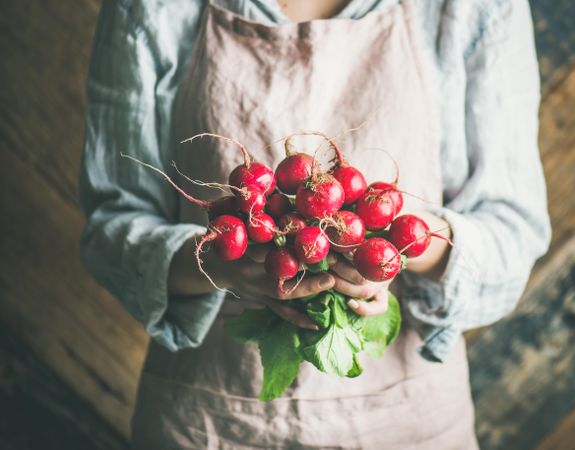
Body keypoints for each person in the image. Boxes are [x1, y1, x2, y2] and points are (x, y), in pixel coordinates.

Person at [79, 0, 551, 448]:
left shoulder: (474, 8)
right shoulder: (151, 8)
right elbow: (111, 229)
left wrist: (403, 244)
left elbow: (513, 232)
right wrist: (221, 263)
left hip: (406, 423)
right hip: (209, 423)